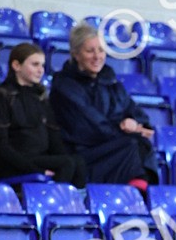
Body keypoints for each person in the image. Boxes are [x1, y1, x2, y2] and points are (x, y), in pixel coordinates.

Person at [50, 23, 158, 187]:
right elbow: (89, 126)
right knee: (133, 144)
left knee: (141, 144)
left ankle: (139, 193)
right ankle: (136, 193)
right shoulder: (64, 85)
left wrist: (133, 122)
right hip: (84, 153)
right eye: (90, 51)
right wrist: (124, 129)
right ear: (76, 54)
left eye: (101, 50)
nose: (97, 56)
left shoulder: (111, 82)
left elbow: (138, 114)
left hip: (114, 146)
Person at [0, 43, 86, 185]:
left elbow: (54, 138)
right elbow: (1, 147)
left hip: (38, 159)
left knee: (78, 162)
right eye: (35, 65)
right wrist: (36, 169)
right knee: (66, 163)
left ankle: (78, 204)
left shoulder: (40, 96)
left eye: (42, 65)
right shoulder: (2, 96)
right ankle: (57, 205)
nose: (41, 70)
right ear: (16, 65)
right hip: (13, 163)